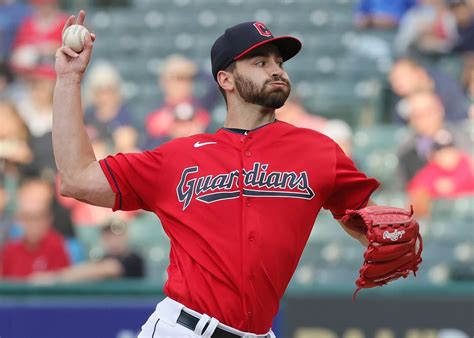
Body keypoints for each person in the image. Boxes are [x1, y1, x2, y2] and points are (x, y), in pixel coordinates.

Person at [53, 11, 412, 337]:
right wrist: (69, 80)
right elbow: (77, 178)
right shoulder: (177, 157)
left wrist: (387, 236)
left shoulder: (319, 152)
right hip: (183, 329)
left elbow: (364, 219)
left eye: (279, 62)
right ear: (225, 79)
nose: (276, 70)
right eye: (259, 61)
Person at [29, 219, 144, 283]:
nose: (114, 240)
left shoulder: (133, 258)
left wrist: (54, 278)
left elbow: (110, 268)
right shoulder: (102, 258)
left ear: (126, 236)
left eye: (118, 235)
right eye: (109, 235)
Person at [396, 90, 471, 187]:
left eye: (427, 112)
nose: (423, 119)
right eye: (416, 115)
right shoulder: (405, 151)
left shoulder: (461, 138)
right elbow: (400, 189)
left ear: (440, 110)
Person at [0, 178, 70, 279]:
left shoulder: (57, 245)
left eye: (37, 217)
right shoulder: (11, 249)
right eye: (27, 217)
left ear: (48, 219)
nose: (32, 224)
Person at [145, 54, 211, 146]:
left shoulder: (202, 106)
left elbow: (218, 84)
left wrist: (196, 69)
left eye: (186, 78)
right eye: (175, 78)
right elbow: (148, 150)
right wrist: (169, 135)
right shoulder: (156, 115)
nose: (180, 84)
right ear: (163, 81)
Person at [407, 130, 474, 218]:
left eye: (449, 149)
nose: (447, 154)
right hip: (443, 221)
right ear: (433, 155)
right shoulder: (429, 172)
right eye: (441, 151)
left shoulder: (468, 164)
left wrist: (454, 185)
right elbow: (415, 197)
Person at [389, 57, 471, 122]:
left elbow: (461, 118)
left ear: (420, 73)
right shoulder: (402, 98)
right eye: (393, 80)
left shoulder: (448, 89)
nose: (397, 84)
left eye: (401, 77)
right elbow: (398, 126)